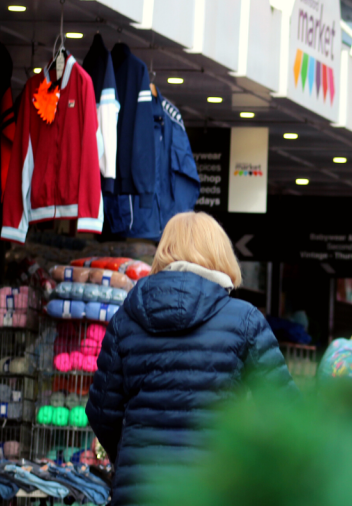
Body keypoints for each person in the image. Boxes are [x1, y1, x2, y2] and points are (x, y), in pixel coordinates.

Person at [86, 211, 296, 506]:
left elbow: (101, 412)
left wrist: (132, 459)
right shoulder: (245, 319)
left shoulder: (126, 319)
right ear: (220, 253)